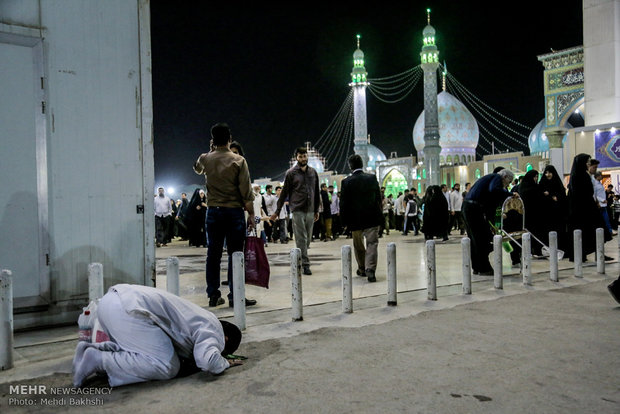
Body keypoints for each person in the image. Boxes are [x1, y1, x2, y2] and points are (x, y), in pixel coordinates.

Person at [72, 284, 243, 388]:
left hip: (112, 302)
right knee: (167, 365)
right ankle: (98, 359)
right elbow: (208, 361)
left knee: (144, 351)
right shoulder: (215, 331)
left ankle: (90, 350)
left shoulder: (201, 318)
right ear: (225, 339)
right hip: (128, 311)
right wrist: (224, 362)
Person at [194, 123, 257, 308]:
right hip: (234, 212)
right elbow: (246, 192)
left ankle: (213, 295)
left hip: (213, 212)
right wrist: (252, 214)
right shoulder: (238, 161)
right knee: (235, 254)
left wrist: (210, 151)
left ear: (213, 140)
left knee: (213, 255)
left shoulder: (205, 158)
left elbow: (197, 168)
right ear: (229, 139)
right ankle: (234, 296)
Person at [271, 147, 320, 275]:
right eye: (300, 156)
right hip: (297, 209)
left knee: (308, 238)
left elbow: (316, 191)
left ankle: (300, 256)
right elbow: (284, 193)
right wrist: (277, 211)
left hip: (310, 209)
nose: (303, 159)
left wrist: (317, 210)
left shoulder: (313, 172)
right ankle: (305, 264)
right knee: (300, 238)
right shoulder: (291, 173)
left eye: (304, 156)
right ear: (296, 158)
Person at [462, 169, 516, 275]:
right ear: (504, 177)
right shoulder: (496, 178)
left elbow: (489, 201)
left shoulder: (489, 179)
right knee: (481, 239)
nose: (507, 186)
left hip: (469, 207)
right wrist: (509, 194)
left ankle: (477, 267)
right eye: (508, 183)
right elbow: (494, 190)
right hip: (473, 208)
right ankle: (483, 268)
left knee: (475, 240)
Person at [339, 154, 383, 282]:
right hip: (372, 218)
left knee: (358, 245)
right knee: (372, 244)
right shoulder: (372, 178)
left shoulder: (346, 182)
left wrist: (344, 222)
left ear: (350, 166)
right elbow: (378, 200)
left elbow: (344, 204)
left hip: (355, 220)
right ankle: (371, 269)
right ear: (362, 164)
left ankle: (362, 268)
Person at [566, 154, 611, 261]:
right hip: (584, 211)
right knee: (593, 231)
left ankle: (591, 255)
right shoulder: (580, 176)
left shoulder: (578, 176)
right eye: (587, 162)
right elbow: (583, 194)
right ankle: (588, 255)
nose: (588, 164)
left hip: (584, 210)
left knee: (593, 232)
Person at [539, 164, 568, 252]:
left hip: (558, 214)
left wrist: (551, 195)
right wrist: (551, 196)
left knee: (558, 232)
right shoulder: (542, 184)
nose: (548, 175)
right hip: (546, 215)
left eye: (550, 172)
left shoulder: (558, 184)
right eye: (546, 173)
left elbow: (562, 197)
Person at [517, 170, 545, 256]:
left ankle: (535, 250)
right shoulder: (530, 187)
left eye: (537, 177)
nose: (536, 178)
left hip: (531, 215)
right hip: (531, 215)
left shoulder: (524, 186)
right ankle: (534, 250)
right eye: (534, 177)